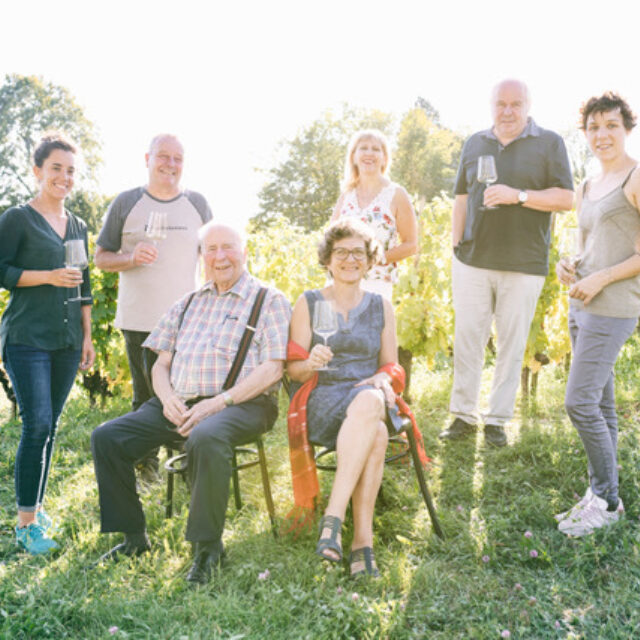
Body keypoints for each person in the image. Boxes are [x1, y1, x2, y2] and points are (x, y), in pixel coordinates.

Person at [91, 222, 291, 585]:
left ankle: (207, 548)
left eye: (228, 247)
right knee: (107, 437)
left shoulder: (269, 300)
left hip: (242, 404)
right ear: (202, 257)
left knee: (206, 436)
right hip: (178, 403)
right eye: (210, 249)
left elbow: (273, 368)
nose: (219, 257)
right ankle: (133, 538)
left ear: (244, 253)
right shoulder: (188, 302)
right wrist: (166, 399)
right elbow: (161, 363)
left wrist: (218, 403)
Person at [440, 79, 574, 447]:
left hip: (524, 263)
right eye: (501, 104)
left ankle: (497, 420)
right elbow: (462, 198)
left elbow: (565, 198)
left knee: (511, 345)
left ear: (528, 106)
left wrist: (520, 196)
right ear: (491, 107)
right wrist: (456, 244)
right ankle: (463, 416)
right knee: (467, 340)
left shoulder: (549, 143)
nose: (508, 111)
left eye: (516, 104)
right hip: (472, 261)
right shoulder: (474, 143)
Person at [287, 218, 406, 577]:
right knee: (378, 430)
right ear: (328, 259)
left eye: (358, 252)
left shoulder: (382, 306)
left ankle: (336, 525)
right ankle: (360, 542)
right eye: (341, 252)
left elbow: (393, 369)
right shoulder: (308, 303)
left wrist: (380, 378)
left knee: (371, 405)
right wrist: (310, 363)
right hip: (324, 400)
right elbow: (292, 371)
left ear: (370, 261)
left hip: (367, 396)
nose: (350, 259)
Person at [0, 132, 95, 554]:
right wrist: (48, 277)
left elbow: (85, 285)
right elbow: (2, 272)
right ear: (37, 171)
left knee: (51, 425)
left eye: (71, 170)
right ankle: (24, 526)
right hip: (27, 338)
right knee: (36, 424)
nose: (64, 177)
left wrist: (87, 336)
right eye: (56, 168)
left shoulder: (78, 226)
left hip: (67, 339)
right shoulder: (17, 219)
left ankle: (35, 507)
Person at [95, 134, 212, 477]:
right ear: (147, 158)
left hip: (187, 322)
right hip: (139, 318)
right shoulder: (126, 202)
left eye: (178, 158)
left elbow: (210, 258)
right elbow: (101, 257)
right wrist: (131, 257)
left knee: (185, 395)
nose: (170, 164)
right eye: (163, 156)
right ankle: (146, 466)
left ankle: (185, 463)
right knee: (145, 396)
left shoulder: (198, 204)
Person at [555, 93, 640, 536]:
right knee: (601, 405)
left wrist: (602, 278)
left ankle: (606, 500)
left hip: (613, 306)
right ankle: (601, 492)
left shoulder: (635, 176)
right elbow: (586, 245)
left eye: (610, 125)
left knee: (579, 402)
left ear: (627, 127)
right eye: (593, 127)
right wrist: (568, 265)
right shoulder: (588, 185)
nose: (601, 134)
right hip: (581, 302)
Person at [331, 129, 418, 301]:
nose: (369, 153)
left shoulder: (396, 194)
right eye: (363, 148)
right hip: (340, 284)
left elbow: (411, 245)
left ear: (384, 158)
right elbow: (330, 241)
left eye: (376, 149)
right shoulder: (346, 195)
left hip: (376, 285)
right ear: (354, 157)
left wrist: (375, 259)